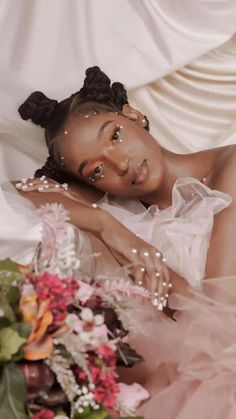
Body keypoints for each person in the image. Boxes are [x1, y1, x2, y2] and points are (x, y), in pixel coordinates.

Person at [6, 66, 236, 417]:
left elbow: (218, 309)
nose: (121, 163)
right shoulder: (125, 218)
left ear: (133, 115)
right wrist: (106, 224)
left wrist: (159, 270)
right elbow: (18, 193)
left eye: (114, 136)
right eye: (96, 171)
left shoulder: (230, 166)